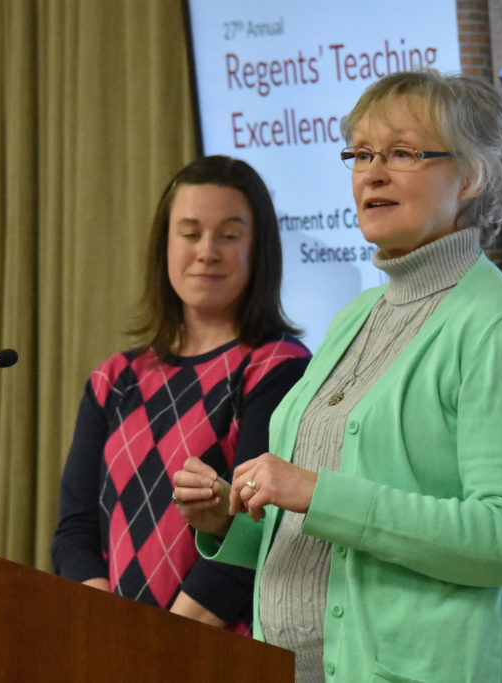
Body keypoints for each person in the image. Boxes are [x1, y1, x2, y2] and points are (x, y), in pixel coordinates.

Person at [173, 70, 502, 682]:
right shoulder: (355, 318)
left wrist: (317, 492)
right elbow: (322, 535)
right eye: (360, 154)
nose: (372, 173)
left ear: (471, 175)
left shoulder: (501, 328)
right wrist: (230, 519)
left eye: (402, 153)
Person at [50, 156, 311, 629]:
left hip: (214, 654)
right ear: (164, 246)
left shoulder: (277, 367)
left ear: (260, 250)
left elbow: (254, 537)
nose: (207, 251)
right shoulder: (115, 378)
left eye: (229, 236)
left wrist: (160, 652)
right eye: (190, 233)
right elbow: (76, 531)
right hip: (111, 650)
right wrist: (105, 631)